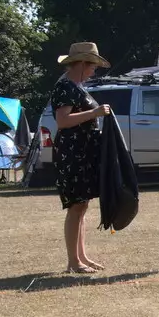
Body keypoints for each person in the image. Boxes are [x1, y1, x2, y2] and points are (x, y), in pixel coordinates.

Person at [49, 41, 113, 273]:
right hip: (71, 153)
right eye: (93, 66)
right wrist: (94, 113)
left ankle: (82, 257)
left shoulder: (77, 86)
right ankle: (73, 261)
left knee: (82, 206)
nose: (94, 70)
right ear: (83, 63)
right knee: (76, 206)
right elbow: (63, 121)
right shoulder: (64, 87)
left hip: (83, 152)